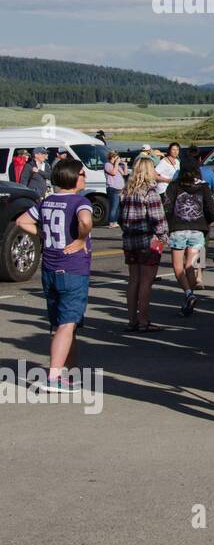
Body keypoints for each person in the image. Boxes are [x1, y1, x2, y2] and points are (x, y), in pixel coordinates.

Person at [14, 159, 94, 393]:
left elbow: (22, 221)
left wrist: (43, 234)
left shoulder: (47, 202)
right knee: (67, 324)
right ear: (73, 177)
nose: (85, 177)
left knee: (63, 324)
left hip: (50, 268)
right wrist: (80, 240)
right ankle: (54, 375)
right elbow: (86, 221)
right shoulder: (81, 201)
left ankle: (70, 371)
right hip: (72, 268)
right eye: (82, 173)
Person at [119, 157, 169, 331]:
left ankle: (132, 320)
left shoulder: (126, 191)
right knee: (146, 282)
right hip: (148, 240)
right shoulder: (150, 192)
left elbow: (119, 217)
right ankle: (143, 320)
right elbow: (158, 219)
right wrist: (163, 237)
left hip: (129, 239)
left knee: (133, 280)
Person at [163, 153, 214, 318]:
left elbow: (167, 208)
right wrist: (205, 221)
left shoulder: (173, 186)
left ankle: (188, 294)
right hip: (198, 230)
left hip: (178, 229)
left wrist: (169, 223)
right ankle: (189, 295)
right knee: (191, 266)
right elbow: (211, 211)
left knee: (178, 267)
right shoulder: (204, 186)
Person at [104, 151, 125, 228]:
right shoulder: (107, 165)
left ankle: (115, 221)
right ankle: (111, 222)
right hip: (112, 188)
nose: (117, 159)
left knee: (118, 206)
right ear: (112, 157)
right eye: (116, 157)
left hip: (120, 189)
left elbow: (124, 173)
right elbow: (113, 172)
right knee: (114, 206)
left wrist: (124, 164)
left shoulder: (117, 166)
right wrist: (116, 164)